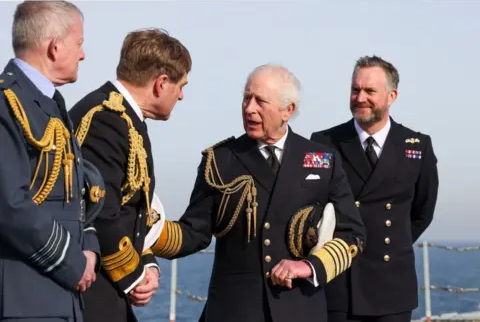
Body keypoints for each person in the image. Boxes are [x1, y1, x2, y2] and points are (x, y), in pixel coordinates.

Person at [145, 64, 366, 322]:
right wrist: (148, 230)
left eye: (260, 101)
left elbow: (353, 234)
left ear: (288, 110)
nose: (249, 108)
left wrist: (309, 266)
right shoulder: (220, 161)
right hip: (234, 310)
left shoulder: (322, 160)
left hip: (299, 311)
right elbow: (194, 232)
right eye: (246, 98)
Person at [68, 28, 191, 322]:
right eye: (181, 85)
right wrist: (133, 276)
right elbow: (100, 210)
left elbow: (130, 210)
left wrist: (145, 261)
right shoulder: (107, 119)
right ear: (161, 83)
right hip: (91, 286)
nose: (182, 96)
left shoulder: (123, 116)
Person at [310, 55, 439, 322]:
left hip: (392, 287)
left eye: (370, 91)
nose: (360, 97)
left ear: (392, 95)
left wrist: (390, 244)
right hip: (340, 283)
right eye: (355, 89)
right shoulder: (324, 143)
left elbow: (421, 213)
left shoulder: (416, 146)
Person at [0, 1, 103, 322]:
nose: (83, 55)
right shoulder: (8, 103)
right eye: (80, 44)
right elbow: (9, 204)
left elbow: (74, 195)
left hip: (60, 297)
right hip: (24, 300)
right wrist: (73, 263)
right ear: (55, 48)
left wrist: (89, 249)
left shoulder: (49, 102)